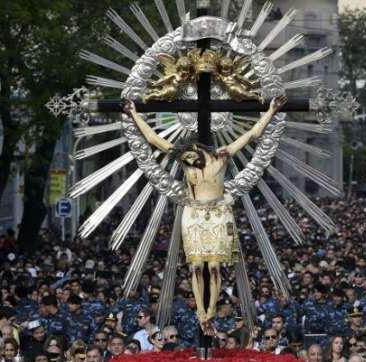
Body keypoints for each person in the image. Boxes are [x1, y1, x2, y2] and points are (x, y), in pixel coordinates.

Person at [123, 95, 287, 328]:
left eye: (191, 156)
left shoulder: (221, 157)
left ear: (200, 150)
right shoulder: (184, 158)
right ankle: (201, 311)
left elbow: (251, 135)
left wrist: (270, 111)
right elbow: (152, 138)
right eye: (186, 158)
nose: (188, 161)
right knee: (197, 266)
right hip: (194, 214)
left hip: (218, 214)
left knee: (214, 266)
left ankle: (210, 310)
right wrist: (134, 114)